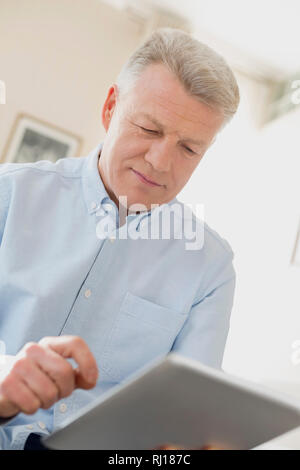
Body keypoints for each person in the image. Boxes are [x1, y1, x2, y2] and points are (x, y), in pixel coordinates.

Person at [0, 27, 240, 449]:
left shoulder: (210, 267)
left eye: (188, 149)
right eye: (149, 129)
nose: (160, 161)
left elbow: (189, 416)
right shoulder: (9, 196)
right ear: (111, 108)